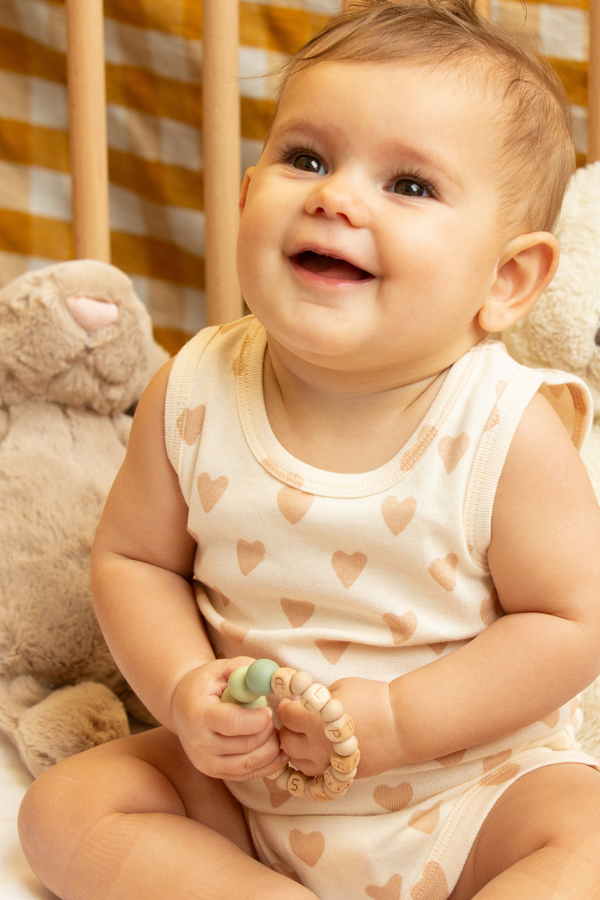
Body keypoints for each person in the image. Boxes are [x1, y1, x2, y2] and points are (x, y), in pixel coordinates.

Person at [18, 1, 600, 898]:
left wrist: (402, 721)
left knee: (585, 837)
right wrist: (180, 689)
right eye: (307, 158)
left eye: (409, 185)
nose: (335, 195)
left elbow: (571, 624)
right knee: (63, 810)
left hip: (469, 789)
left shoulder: (501, 425)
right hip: (247, 791)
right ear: (249, 197)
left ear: (506, 279)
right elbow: (133, 560)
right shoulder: (194, 388)